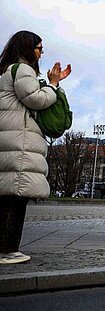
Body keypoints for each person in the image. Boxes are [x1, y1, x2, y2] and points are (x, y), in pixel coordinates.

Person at [0, 31, 71, 264]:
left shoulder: (7, 71)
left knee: (9, 197)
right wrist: (53, 84)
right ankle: (8, 250)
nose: (41, 53)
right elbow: (36, 99)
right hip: (19, 141)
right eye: (39, 48)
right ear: (28, 48)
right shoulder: (22, 69)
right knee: (16, 198)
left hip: (11, 139)